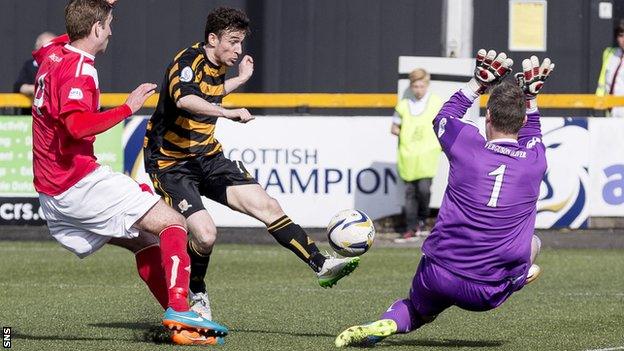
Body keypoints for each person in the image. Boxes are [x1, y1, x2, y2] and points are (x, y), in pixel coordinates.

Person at [143, 6, 360, 321]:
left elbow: (212, 92)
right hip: (170, 163)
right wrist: (228, 112)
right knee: (204, 234)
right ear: (213, 38)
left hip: (208, 157)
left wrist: (241, 79)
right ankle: (198, 292)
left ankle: (321, 265)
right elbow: (185, 99)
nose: (238, 49)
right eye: (232, 41)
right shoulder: (187, 63)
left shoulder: (219, 64)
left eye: (241, 42)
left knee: (268, 205)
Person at [31, 0, 227, 345]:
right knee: (174, 224)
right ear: (95, 29)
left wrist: (96, 9)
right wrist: (128, 107)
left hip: (53, 192)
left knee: (145, 240)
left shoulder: (53, 53)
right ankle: (181, 308)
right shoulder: (80, 69)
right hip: (76, 183)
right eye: (107, 24)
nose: (110, 31)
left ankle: (181, 326)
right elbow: (77, 126)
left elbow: (57, 41)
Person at [334, 49, 554, 347]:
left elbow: (444, 116)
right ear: (521, 120)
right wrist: (530, 99)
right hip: (485, 292)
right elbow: (533, 134)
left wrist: (478, 82)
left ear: (488, 117)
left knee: (417, 310)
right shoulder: (534, 161)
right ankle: (516, 278)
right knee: (535, 243)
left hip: (439, 272)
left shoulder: (468, 145)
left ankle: (389, 320)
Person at [391, 69, 443, 240]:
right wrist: (406, 135)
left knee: (424, 190)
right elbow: (394, 128)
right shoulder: (403, 105)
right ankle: (411, 227)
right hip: (408, 157)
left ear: (427, 85)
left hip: (427, 157)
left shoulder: (436, 103)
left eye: (421, 86)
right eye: (415, 86)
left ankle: (422, 219)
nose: (418, 89)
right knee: (409, 193)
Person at [13, 32, 56, 115]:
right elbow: (18, 86)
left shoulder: (61, 65)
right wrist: (38, 89)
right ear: (37, 48)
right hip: (31, 115)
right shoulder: (31, 65)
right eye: (47, 48)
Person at [596, 19, 624, 117]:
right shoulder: (610, 54)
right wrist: (599, 101)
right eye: (621, 35)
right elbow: (603, 82)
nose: (623, 39)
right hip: (610, 111)